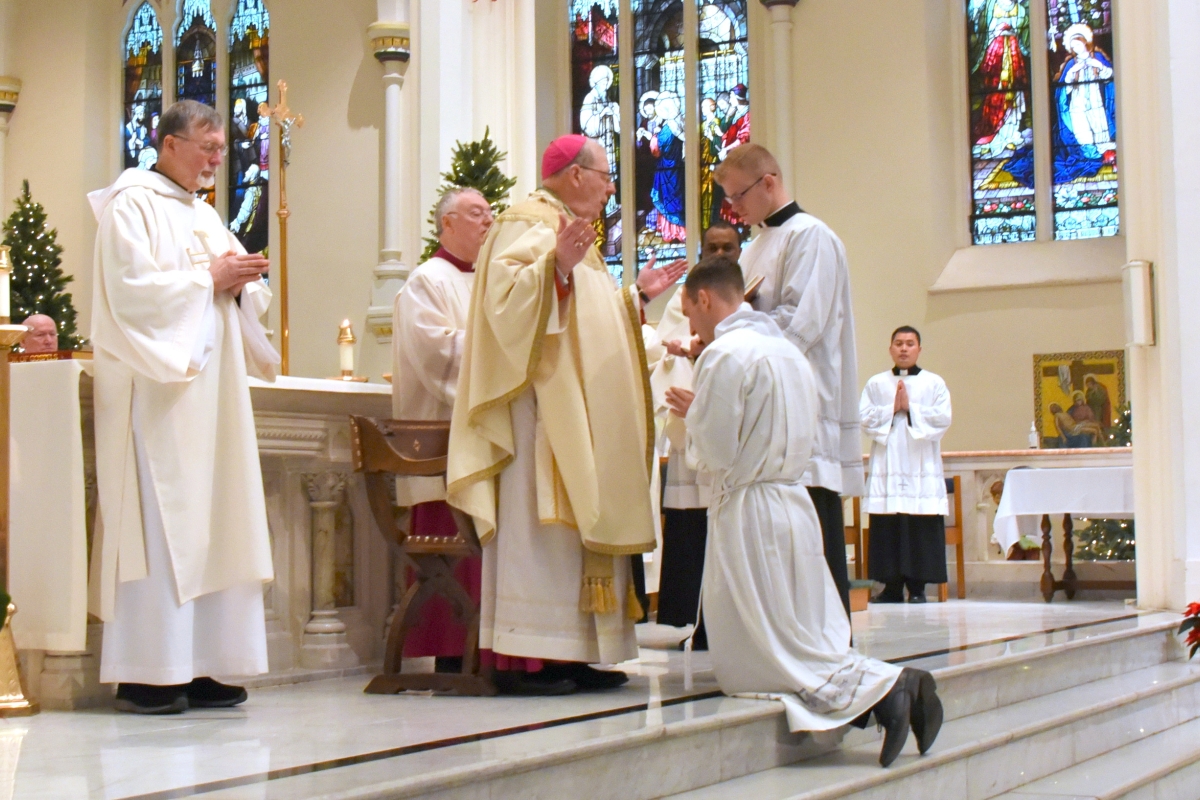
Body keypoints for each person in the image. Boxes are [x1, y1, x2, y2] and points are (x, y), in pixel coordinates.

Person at [665, 257, 942, 767]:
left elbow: (718, 452)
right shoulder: (787, 351)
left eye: (689, 312)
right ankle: (887, 692)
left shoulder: (724, 353)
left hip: (749, 510)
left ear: (705, 299)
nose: (691, 327)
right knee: (801, 632)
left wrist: (695, 416)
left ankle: (886, 691)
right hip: (792, 502)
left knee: (767, 658)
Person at [446, 135, 686, 695]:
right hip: (542, 417)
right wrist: (555, 265)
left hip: (580, 412)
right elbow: (502, 308)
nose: (608, 188)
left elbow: (590, 319)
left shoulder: (574, 235)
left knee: (577, 535)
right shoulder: (525, 222)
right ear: (576, 174)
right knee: (543, 534)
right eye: (604, 177)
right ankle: (528, 659)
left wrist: (637, 299)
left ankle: (575, 655)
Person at [88, 100, 279, 715]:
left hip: (214, 398)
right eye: (209, 148)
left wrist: (247, 284)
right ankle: (151, 670)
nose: (218, 160)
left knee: (218, 518)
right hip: (160, 396)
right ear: (169, 144)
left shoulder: (203, 214)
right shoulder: (131, 203)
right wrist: (209, 281)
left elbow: (238, 291)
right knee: (164, 523)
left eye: (222, 149)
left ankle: (208, 663)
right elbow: (130, 294)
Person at [714, 143, 861, 620]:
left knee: (813, 530)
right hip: (769, 404)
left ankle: (831, 641)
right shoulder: (757, 246)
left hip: (804, 403)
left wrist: (735, 334)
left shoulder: (811, 236)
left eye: (738, 195)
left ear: (769, 182)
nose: (733, 208)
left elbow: (802, 322)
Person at [391, 187, 494, 673]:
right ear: (447, 223)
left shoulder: (491, 282)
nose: (487, 222)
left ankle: (488, 648)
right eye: (476, 214)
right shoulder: (425, 282)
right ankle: (454, 652)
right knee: (456, 548)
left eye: (491, 214)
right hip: (444, 444)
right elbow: (436, 354)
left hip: (485, 438)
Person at [653, 222, 742, 647]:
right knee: (691, 523)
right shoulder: (686, 293)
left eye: (729, 246)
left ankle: (723, 618)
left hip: (726, 421)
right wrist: (688, 347)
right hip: (691, 412)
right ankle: (684, 610)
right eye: (713, 246)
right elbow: (670, 340)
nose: (721, 253)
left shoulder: (747, 292)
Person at [860, 327, 952, 604]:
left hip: (920, 463)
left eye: (909, 344)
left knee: (918, 523)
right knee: (889, 522)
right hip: (888, 462)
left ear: (919, 349)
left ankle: (918, 587)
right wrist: (892, 408)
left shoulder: (934, 383)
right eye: (898, 343)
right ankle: (890, 587)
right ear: (890, 349)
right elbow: (863, 418)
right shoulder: (876, 384)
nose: (903, 348)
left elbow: (943, 418)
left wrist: (911, 409)